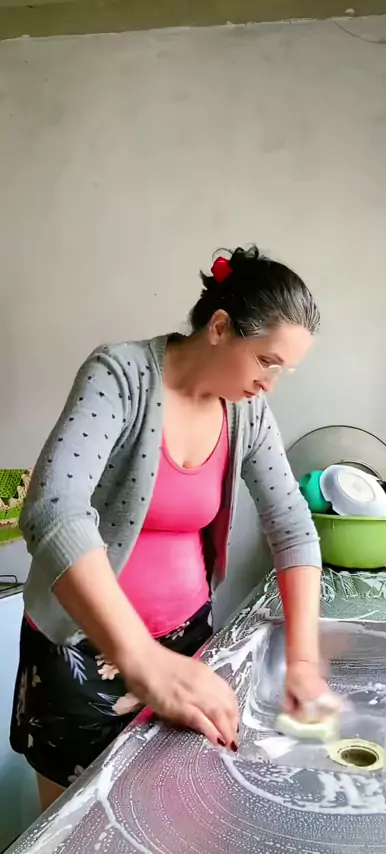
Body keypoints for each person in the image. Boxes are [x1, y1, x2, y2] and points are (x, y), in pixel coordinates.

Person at [10, 245, 336, 812]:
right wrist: (140, 658)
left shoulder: (247, 412)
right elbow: (53, 508)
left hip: (187, 648)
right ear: (219, 327)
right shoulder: (121, 376)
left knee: (176, 815)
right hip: (81, 653)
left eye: (282, 370)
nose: (270, 383)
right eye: (266, 361)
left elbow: (292, 526)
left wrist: (304, 665)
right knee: (79, 826)